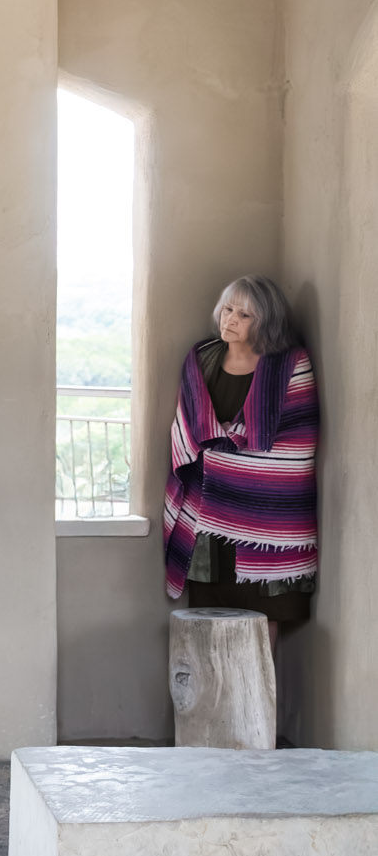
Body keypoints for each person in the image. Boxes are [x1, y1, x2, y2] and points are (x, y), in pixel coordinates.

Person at [164, 275, 319, 642]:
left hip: (269, 511)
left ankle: (262, 683)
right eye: (228, 309)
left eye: (244, 315)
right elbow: (187, 424)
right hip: (210, 506)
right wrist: (222, 450)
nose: (230, 319)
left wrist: (229, 453)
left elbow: (298, 440)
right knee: (210, 611)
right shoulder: (202, 358)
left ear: (267, 322)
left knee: (267, 614)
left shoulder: (290, 364)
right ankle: (214, 684)